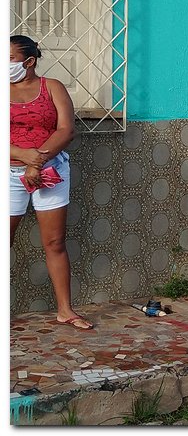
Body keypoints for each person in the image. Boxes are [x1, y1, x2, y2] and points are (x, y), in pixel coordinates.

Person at [10, 35, 93, 329]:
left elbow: (66, 129)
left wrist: (38, 161)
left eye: (10, 59)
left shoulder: (52, 88)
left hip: (50, 171)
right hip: (8, 174)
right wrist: (22, 155)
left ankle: (65, 310)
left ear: (29, 62)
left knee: (55, 242)